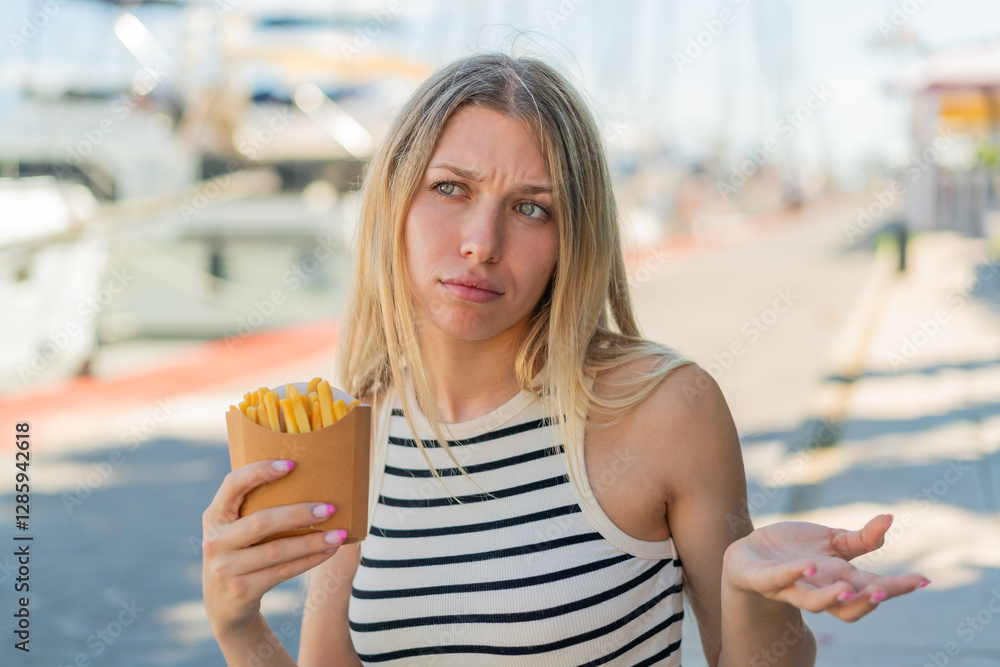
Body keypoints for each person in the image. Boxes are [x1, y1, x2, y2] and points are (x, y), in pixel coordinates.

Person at [202, 52, 930, 666]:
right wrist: (240, 627)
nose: (481, 241)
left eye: (530, 208)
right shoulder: (357, 425)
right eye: (450, 188)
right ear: (394, 201)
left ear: (572, 238)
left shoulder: (666, 407)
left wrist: (749, 592)